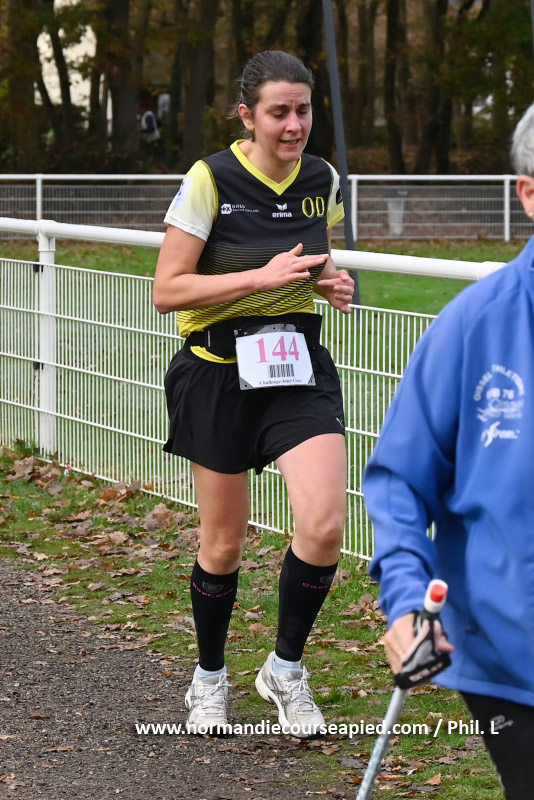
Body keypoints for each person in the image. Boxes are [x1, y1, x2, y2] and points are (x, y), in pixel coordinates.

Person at [153, 50, 354, 737]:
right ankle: (209, 677)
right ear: (248, 115)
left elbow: (315, 259)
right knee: (224, 544)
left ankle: (285, 670)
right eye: (279, 112)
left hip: (295, 367)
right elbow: (167, 291)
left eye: (303, 110)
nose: (294, 125)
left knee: (324, 523)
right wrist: (258, 279)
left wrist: (331, 282)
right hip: (217, 371)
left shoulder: (323, 179)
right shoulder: (210, 179)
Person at [362, 103, 534, 798]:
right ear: (529, 194)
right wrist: (407, 600)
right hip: (510, 660)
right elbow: (400, 482)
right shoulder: (474, 326)